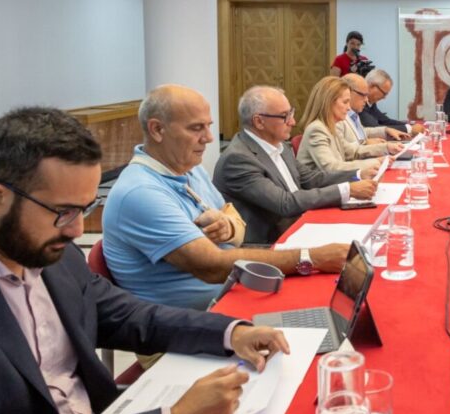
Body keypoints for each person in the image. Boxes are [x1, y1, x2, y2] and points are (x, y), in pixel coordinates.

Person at [0, 106, 290, 414]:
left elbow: (130, 316)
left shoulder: (53, 253)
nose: (77, 231)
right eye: (62, 212)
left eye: (86, 208)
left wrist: (230, 332)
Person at [103, 85, 348, 310]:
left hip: (231, 292)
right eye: (196, 128)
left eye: (208, 126)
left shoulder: (191, 169)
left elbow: (234, 219)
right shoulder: (141, 192)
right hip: (192, 321)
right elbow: (211, 266)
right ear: (157, 129)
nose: (210, 138)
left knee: (336, 297)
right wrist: (310, 257)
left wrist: (229, 227)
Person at [213, 85, 378, 245]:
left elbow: (311, 178)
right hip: (270, 244)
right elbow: (285, 203)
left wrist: (357, 174)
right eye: (285, 116)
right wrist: (347, 190)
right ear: (259, 122)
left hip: (299, 224)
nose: (293, 122)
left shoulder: (279, 145)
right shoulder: (238, 159)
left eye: (291, 113)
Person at [297, 76, 385, 175]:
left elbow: (352, 152)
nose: (348, 108)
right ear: (329, 102)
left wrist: (385, 149)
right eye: (345, 102)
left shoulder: (331, 125)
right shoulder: (316, 129)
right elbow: (332, 168)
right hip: (323, 188)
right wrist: (375, 162)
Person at [339, 74, 408, 150]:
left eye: (366, 95)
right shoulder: (338, 118)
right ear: (348, 92)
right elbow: (345, 151)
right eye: (363, 95)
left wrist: (386, 130)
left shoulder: (353, 114)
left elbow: (362, 131)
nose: (366, 100)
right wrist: (366, 143)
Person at [360, 68, 424, 135]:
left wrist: (409, 126)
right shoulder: (359, 102)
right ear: (371, 86)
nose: (384, 97)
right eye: (384, 93)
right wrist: (409, 129)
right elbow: (375, 128)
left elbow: (385, 121)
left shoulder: (371, 102)